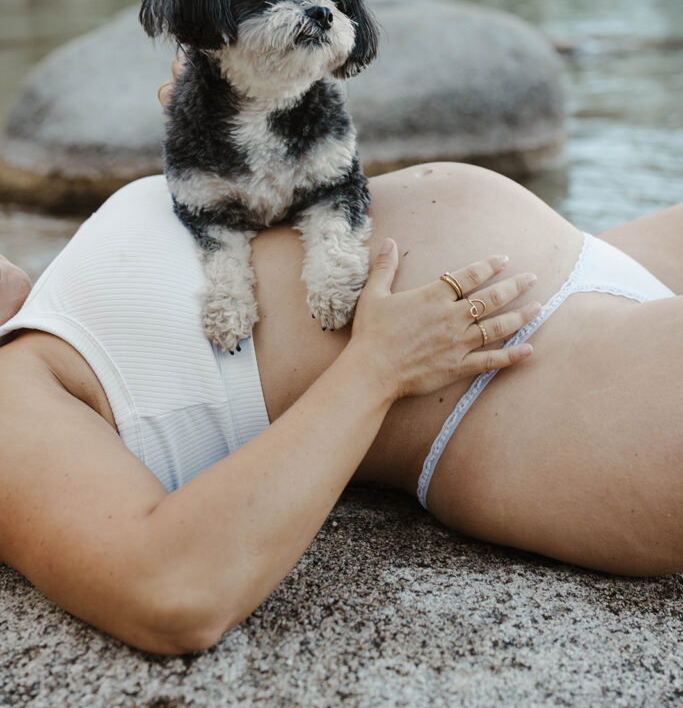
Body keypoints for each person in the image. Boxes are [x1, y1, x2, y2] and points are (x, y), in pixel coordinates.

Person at [0, 73, 680, 655]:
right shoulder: (11, 395)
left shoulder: (52, 300)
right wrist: (375, 370)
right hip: (529, 382)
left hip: (581, 256)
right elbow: (169, 590)